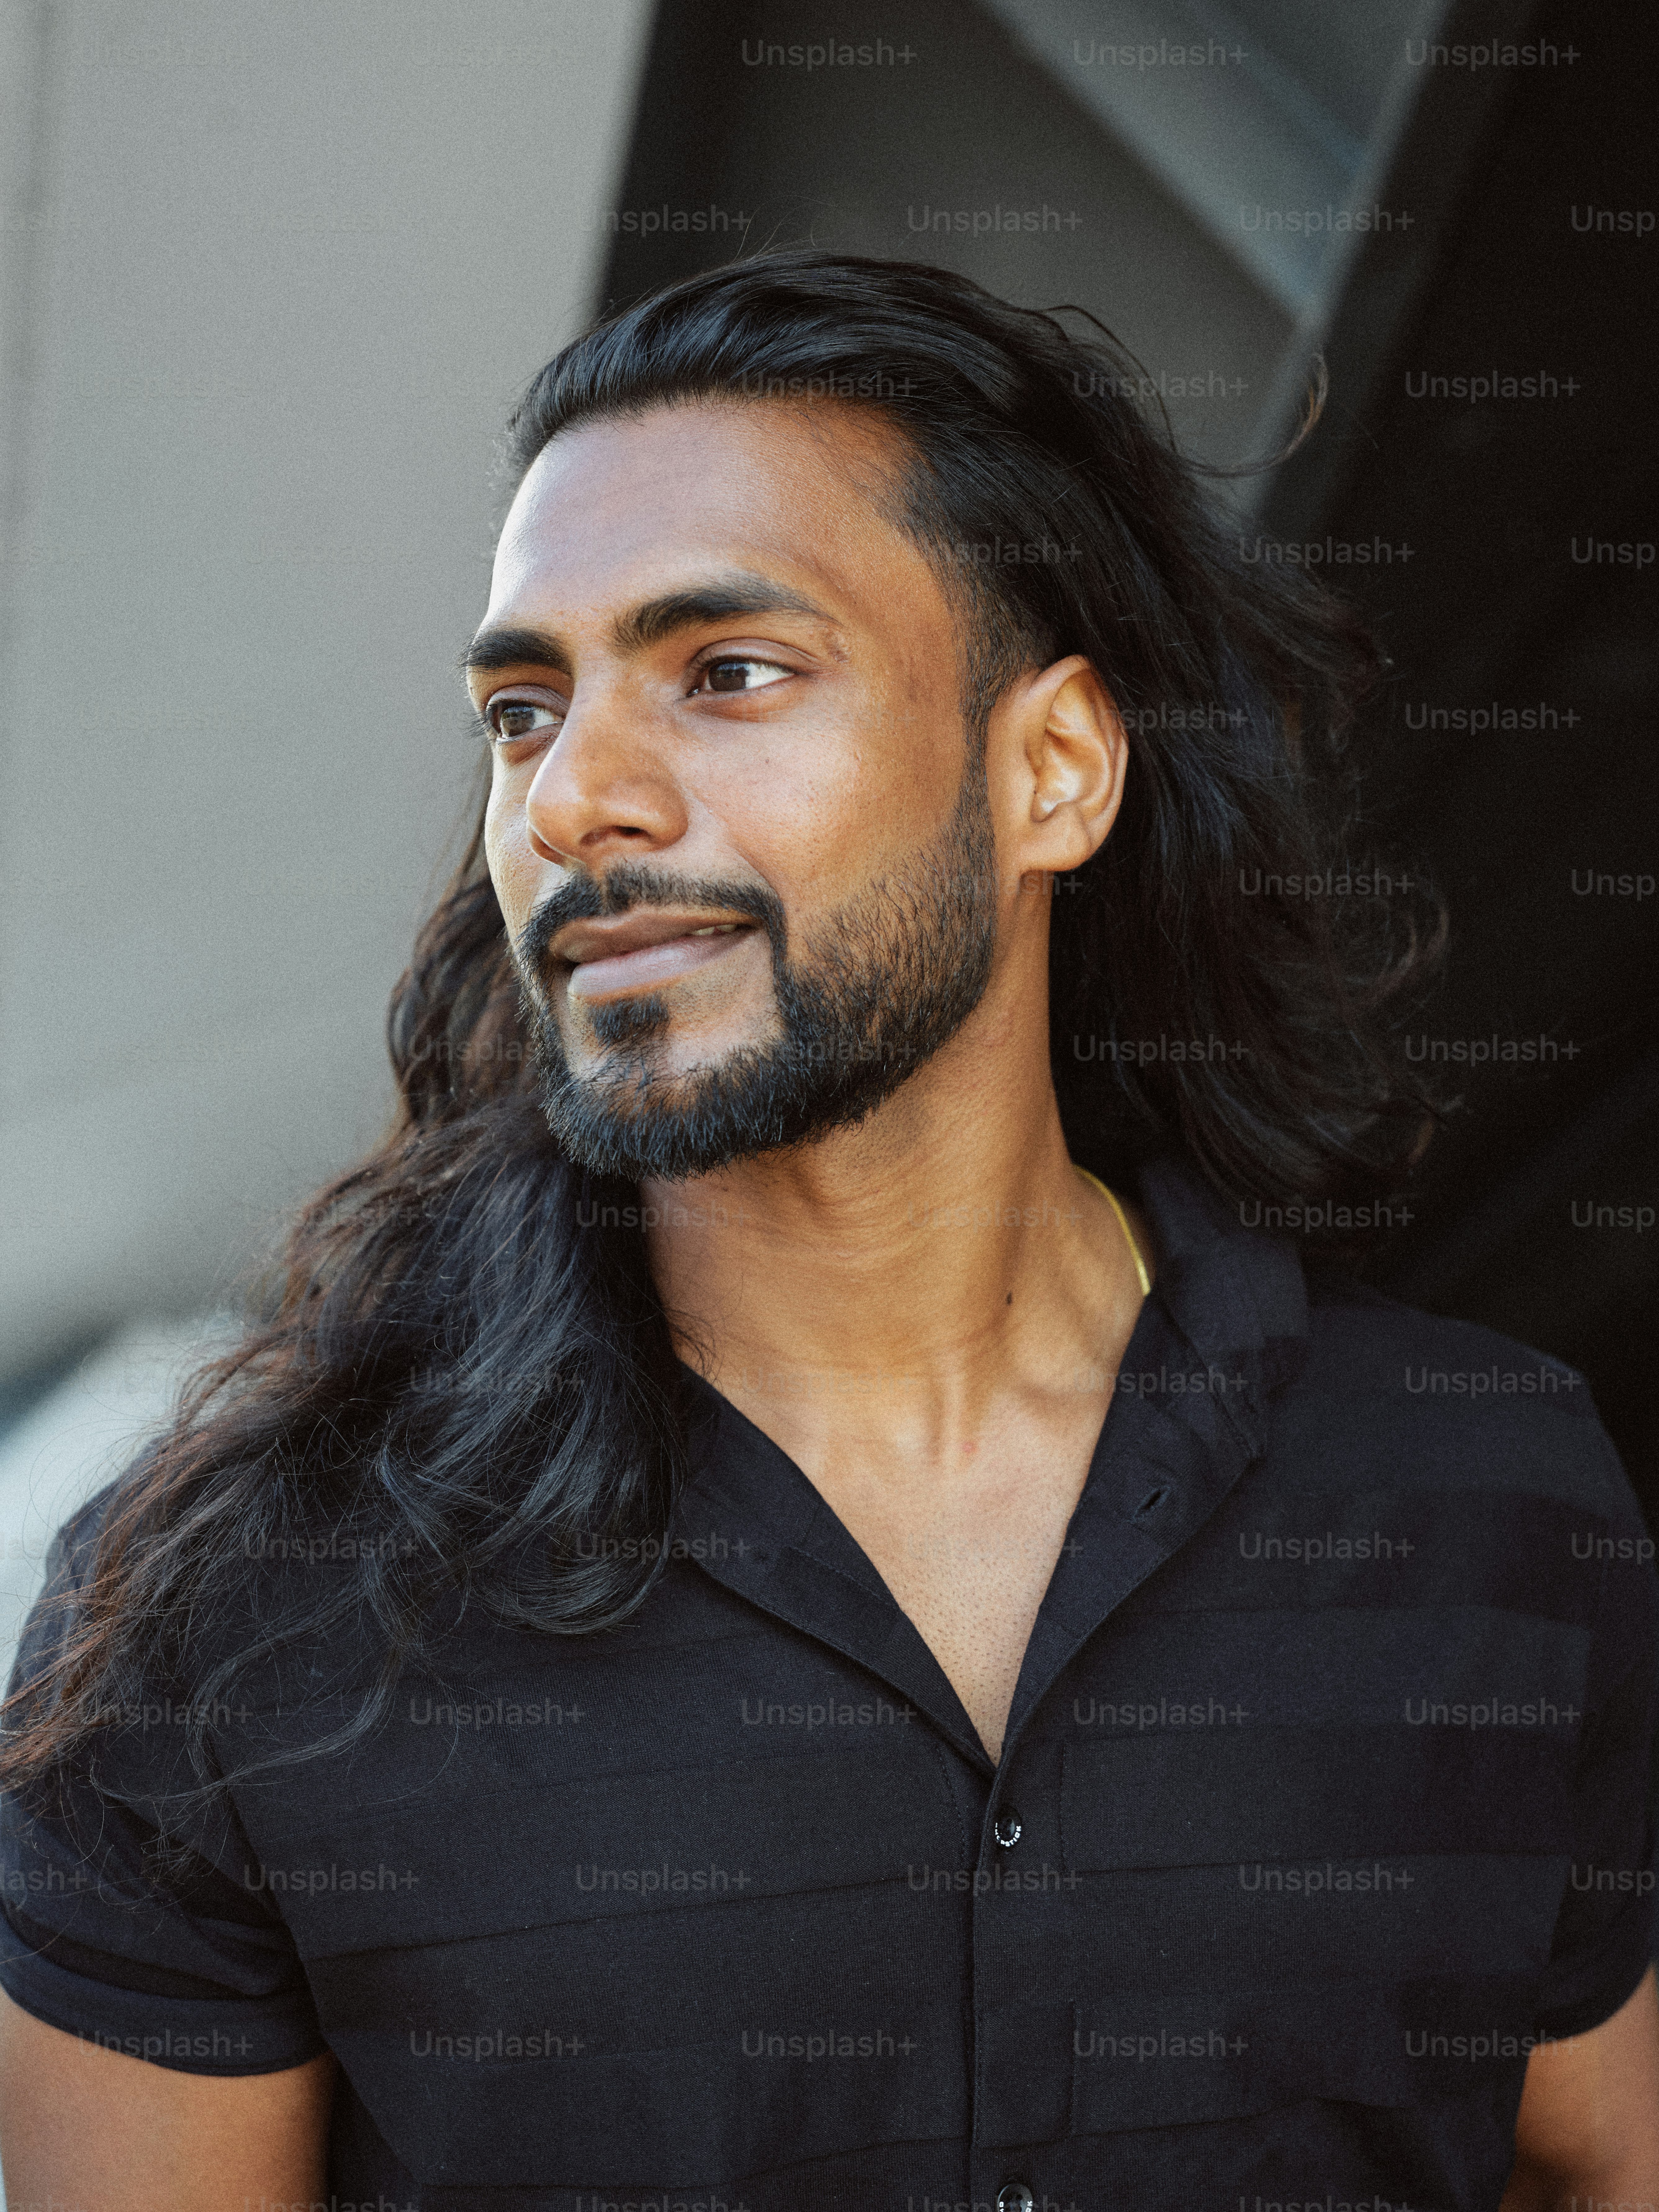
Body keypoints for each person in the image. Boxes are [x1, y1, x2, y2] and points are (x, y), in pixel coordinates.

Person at [1, 251, 1654, 2212]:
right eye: (524, 710)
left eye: (727, 673)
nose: (574, 800)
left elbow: (1593, 2159)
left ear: (1051, 766)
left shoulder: (1486, 1487)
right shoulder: (231, 1609)